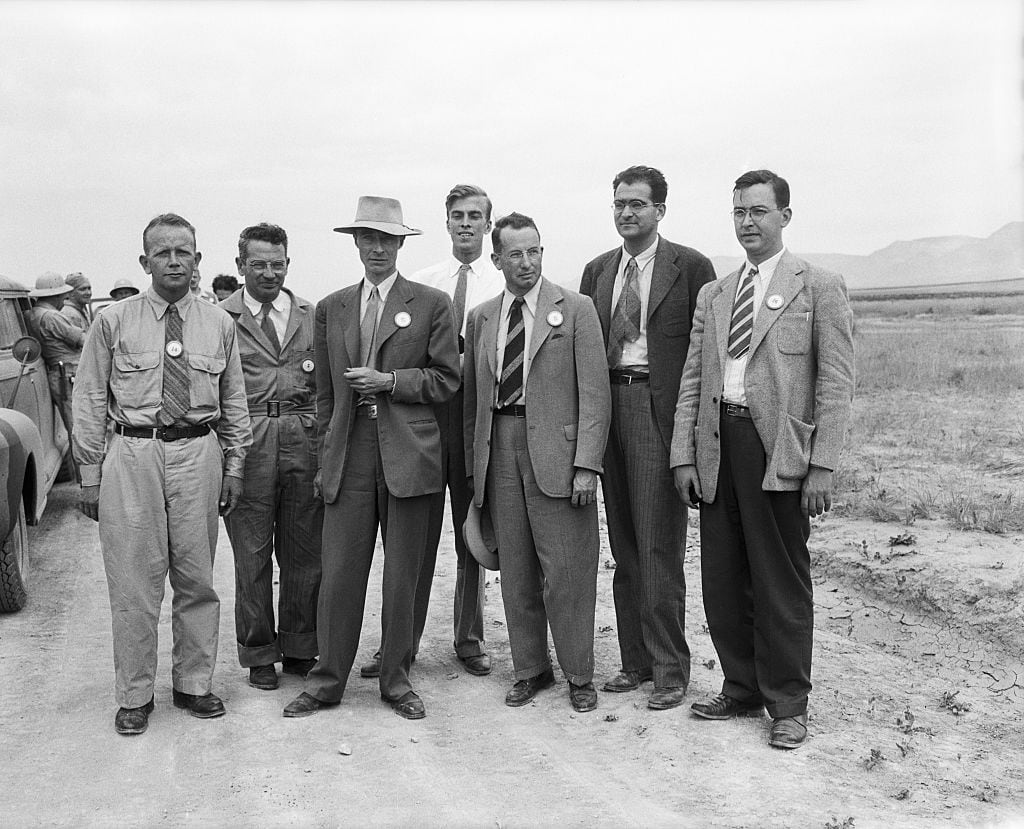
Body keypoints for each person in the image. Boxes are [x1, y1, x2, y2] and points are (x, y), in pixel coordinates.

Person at [671, 170, 855, 749]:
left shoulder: (818, 285)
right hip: (717, 445)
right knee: (723, 578)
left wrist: (821, 465)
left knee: (780, 580)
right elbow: (694, 380)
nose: (747, 222)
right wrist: (684, 455)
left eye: (758, 211)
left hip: (779, 451)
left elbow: (836, 382)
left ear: (785, 216)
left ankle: (789, 704)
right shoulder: (716, 293)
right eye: (738, 213)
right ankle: (741, 685)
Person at [72, 213, 251, 736]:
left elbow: (234, 399)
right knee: (134, 581)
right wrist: (88, 473)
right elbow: (88, 398)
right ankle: (134, 694)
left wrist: (235, 466)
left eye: (184, 252)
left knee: (197, 577)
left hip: (199, 453)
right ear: (144, 261)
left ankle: (194, 684)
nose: (174, 261)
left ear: (198, 261)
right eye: (163, 252)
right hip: (133, 454)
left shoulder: (219, 323)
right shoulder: (113, 321)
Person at [283, 196, 459, 721]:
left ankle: (396, 680)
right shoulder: (333, 307)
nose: (377, 248)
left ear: (401, 243)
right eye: (368, 238)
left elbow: (448, 378)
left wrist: (392, 382)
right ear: (355, 243)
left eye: (387, 239)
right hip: (350, 454)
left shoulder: (431, 304)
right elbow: (323, 397)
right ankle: (327, 680)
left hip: (410, 454)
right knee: (338, 575)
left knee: (404, 574)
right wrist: (325, 457)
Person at [579, 165, 716, 710]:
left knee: (659, 544)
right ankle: (634, 662)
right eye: (619, 203)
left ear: (660, 209)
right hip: (606, 406)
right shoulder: (596, 271)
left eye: (637, 203)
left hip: (658, 411)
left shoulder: (691, 267)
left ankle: (669, 671)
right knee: (624, 546)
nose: (626, 212)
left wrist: (689, 435)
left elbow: (704, 355)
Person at [463, 212, 610, 713]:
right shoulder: (482, 317)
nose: (526, 263)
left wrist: (587, 464)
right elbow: (472, 401)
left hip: (559, 453)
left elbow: (595, 393)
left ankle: (579, 674)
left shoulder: (577, 309)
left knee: (567, 569)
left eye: (535, 251)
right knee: (517, 567)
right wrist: (474, 467)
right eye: (516, 254)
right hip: (500, 446)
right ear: (497, 258)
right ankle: (530, 668)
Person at [360, 184, 504, 681]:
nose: (466, 224)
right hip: (423, 421)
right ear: (446, 223)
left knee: (471, 530)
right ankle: (401, 642)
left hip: (477, 419)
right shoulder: (420, 284)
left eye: (475, 216)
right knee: (411, 538)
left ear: (489, 224)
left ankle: (469, 638)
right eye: (457, 216)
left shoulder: (503, 284)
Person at [220, 223, 322, 690]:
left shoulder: (310, 314)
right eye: (257, 264)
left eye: (276, 264)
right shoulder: (222, 317)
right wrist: (229, 456)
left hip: (303, 435)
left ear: (288, 264)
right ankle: (259, 651)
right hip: (249, 437)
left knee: (304, 550)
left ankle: (301, 646)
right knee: (252, 553)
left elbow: (327, 385)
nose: (267, 272)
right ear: (240, 266)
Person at [27, 272, 84, 439]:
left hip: (59, 373)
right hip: (67, 374)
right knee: (79, 427)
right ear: (56, 296)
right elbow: (82, 340)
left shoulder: (33, 314)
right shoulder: (52, 317)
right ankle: (85, 464)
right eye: (63, 297)